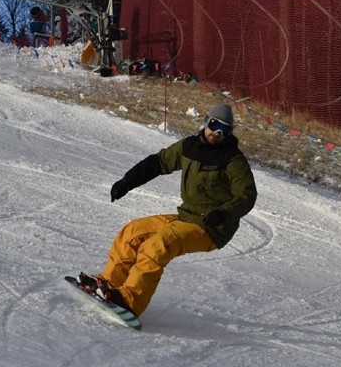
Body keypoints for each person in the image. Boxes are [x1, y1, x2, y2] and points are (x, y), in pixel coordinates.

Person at [79, 104, 257, 318]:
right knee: (132, 232)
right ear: (206, 121)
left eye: (225, 130)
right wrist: (127, 181)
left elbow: (246, 195)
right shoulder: (189, 147)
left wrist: (224, 213)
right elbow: (159, 162)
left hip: (212, 227)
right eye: (215, 125)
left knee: (158, 245)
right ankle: (108, 283)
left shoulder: (232, 160)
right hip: (187, 217)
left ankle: (129, 301)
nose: (217, 134)